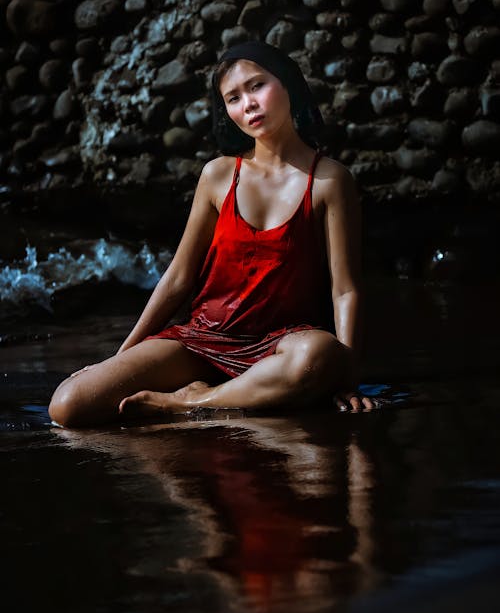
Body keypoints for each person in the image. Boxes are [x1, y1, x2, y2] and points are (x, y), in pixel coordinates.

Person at [49, 41, 375, 428]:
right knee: (67, 406)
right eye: (233, 98)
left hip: (283, 347)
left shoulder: (329, 180)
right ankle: (223, 395)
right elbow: (178, 277)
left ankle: (190, 402)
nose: (248, 104)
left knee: (321, 355)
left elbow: (345, 289)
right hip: (203, 340)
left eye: (257, 86)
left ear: (288, 84)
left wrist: (346, 378)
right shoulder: (218, 176)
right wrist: (120, 357)